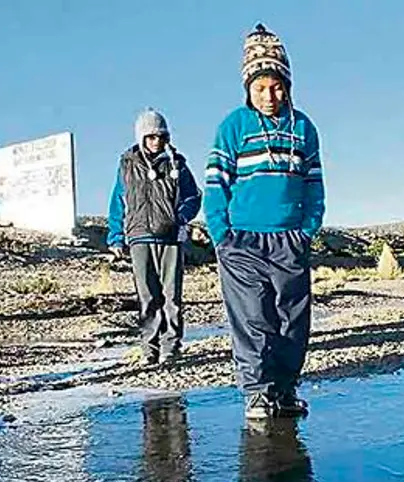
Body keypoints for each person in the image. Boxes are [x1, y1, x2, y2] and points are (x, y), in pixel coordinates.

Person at [203, 24, 326, 419]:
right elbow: (216, 184)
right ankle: (258, 392)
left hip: (290, 238)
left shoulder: (304, 127)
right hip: (242, 241)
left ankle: (286, 389)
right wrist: (222, 234)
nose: (269, 96)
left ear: (287, 85)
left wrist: (307, 229)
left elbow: (315, 185)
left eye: (276, 87)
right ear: (248, 89)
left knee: (292, 318)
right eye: (260, 88)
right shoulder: (233, 126)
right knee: (253, 318)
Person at [107, 109, 202, 365]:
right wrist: (116, 237)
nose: (156, 141)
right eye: (151, 136)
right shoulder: (126, 165)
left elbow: (193, 197)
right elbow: (118, 201)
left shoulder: (177, 164)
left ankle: (170, 345)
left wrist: (179, 217)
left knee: (172, 296)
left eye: (161, 136)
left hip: (170, 238)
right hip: (138, 237)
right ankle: (149, 347)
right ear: (141, 137)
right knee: (147, 296)